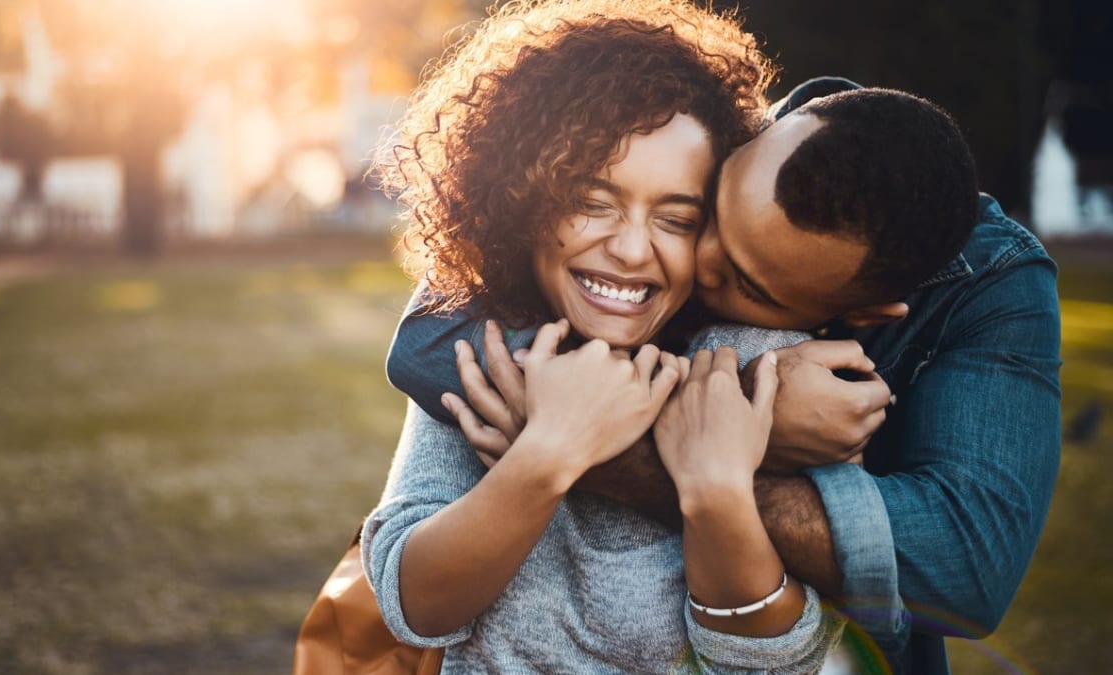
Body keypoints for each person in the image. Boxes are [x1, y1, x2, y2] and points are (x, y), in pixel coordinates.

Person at [387, 79, 1062, 675]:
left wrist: (712, 458)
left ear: (855, 318)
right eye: (710, 211)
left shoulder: (832, 364)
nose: (694, 260)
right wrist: (723, 412)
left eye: (742, 279)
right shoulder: (661, 178)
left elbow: (958, 571)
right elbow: (425, 341)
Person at [362, 1, 846, 672]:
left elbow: (777, 660)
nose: (630, 248)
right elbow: (414, 605)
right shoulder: (486, 351)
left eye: (676, 219)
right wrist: (553, 449)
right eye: (591, 202)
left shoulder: (750, 367)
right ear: (519, 198)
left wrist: (715, 492)